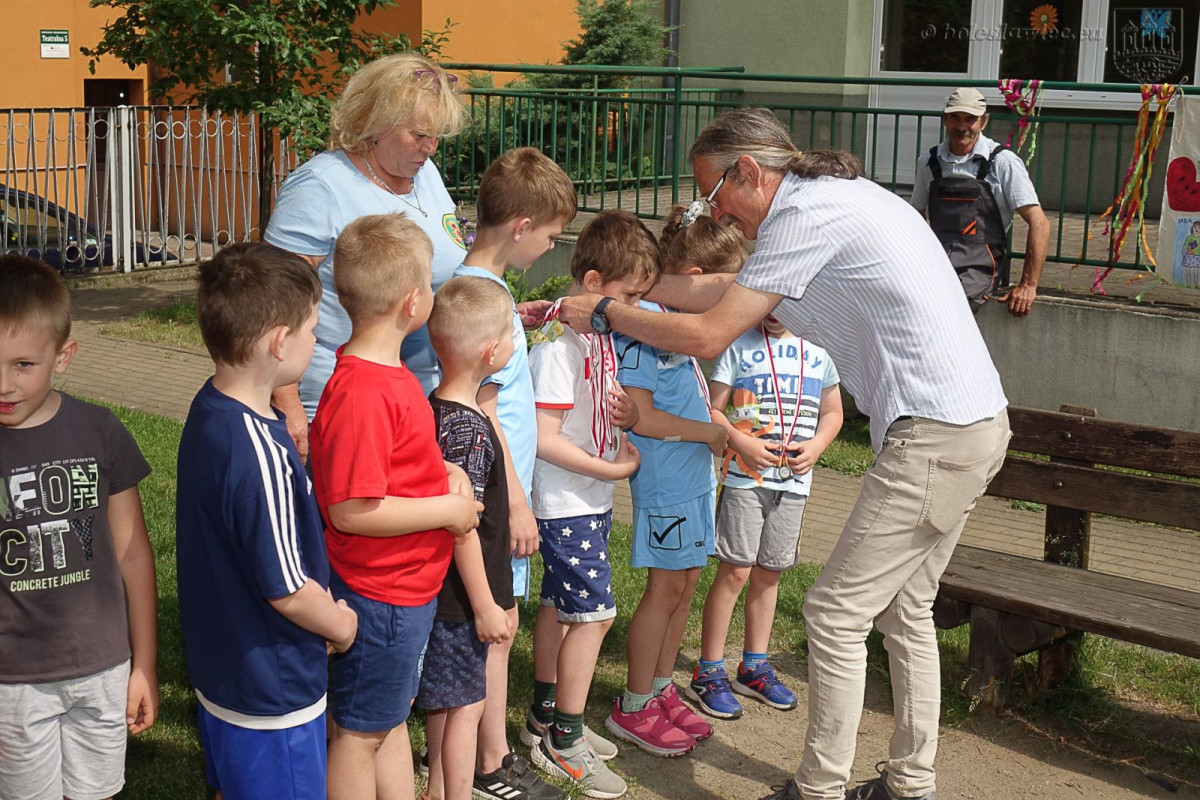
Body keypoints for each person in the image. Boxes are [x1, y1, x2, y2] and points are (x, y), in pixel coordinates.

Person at [557, 107, 1011, 800]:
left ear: (748, 172)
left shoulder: (806, 214)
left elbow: (709, 333)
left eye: (713, 194)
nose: (713, 212)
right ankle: (911, 783)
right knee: (905, 610)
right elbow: (716, 291)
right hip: (970, 425)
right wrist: (636, 288)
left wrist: (606, 312)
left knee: (834, 613)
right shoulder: (826, 203)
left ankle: (820, 788)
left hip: (934, 434)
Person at [307, 213, 483, 800]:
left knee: (380, 724)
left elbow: (395, 466)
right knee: (357, 737)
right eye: (431, 283)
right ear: (413, 301)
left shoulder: (389, 374)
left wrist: (444, 471)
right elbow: (352, 510)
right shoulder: (366, 391)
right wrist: (446, 511)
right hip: (381, 596)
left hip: (403, 590)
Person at [176, 242, 359, 799]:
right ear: (280, 343)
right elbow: (287, 589)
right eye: (311, 331)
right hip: (271, 692)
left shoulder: (210, 410)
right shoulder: (258, 449)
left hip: (224, 667)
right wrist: (339, 624)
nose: (316, 341)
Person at [0, 254, 158, 800]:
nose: (5, 384)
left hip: (103, 667)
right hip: (13, 682)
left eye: (24, 364)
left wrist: (145, 664)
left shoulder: (100, 431)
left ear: (63, 356)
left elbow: (134, 554)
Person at [264, 52, 469, 460]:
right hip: (337, 395)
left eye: (437, 136)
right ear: (376, 123)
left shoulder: (423, 173)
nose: (430, 148)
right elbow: (273, 299)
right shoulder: (319, 186)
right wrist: (285, 400)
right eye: (419, 135)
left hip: (415, 389)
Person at [450, 147, 578, 800]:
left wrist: (517, 328)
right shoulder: (487, 295)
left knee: (499, 618)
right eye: (553, 236)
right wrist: (520, 504)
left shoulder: (476, 288)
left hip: (493, 490)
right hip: (500, 495)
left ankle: (483, 751)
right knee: (496, 625)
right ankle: (490, 762)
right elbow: (484, 405)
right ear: (522, 225)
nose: (552, 248)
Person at [522, 210, 656, 799]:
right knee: (594, 615)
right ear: (597, 284)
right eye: (629, 296)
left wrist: (618, 414)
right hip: (564, 500)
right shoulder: (559, 345)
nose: (634, 309)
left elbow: (582, 410)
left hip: (586, 497)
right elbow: (544, 438)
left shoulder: (594, 335)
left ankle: (543, 716)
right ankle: (566, 741)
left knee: (559, 605)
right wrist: (614, 467)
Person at [601, 210, 729, 759]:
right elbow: (642, 417)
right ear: (695, 279)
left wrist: (715, 440)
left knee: (687, 583)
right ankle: (632, 706)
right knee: (664, 589)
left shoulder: (670, 323)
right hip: (667, 484)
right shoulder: (645, 325)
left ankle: (659, 687)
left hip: (693, 478)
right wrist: (711, 433)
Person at [689, 311, 843, 720]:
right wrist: (740, 443)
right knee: (736, 570)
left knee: (769, 572)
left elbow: (833, 413)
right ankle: (708, 671)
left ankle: (753, 667)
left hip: (792, 485)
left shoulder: (820, 349)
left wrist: (818, 447)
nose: (773, 314)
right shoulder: (738, 347)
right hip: (745, 480)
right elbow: (714, 410)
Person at [418, 276, 520, 800]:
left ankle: (437, 789)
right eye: (508, 332)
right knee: (465, 706)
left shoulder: (431, 409)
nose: (511, 341)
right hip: (462, 599)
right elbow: (464, 526)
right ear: (490, 352)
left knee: (444, 697)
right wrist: (486, 605)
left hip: (440, 591)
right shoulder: (471, 430)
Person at [909, 87, 1050, 316]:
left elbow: (1040, 223)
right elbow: (915, 215)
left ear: (984, 122)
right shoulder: (928, 161)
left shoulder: (1003, 162)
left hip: (980, 264)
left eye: (970, 119)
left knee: (949, 306)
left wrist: (1028, 285)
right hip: (937, 259)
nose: (962, 126)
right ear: (945, 119)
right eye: (955, 117)